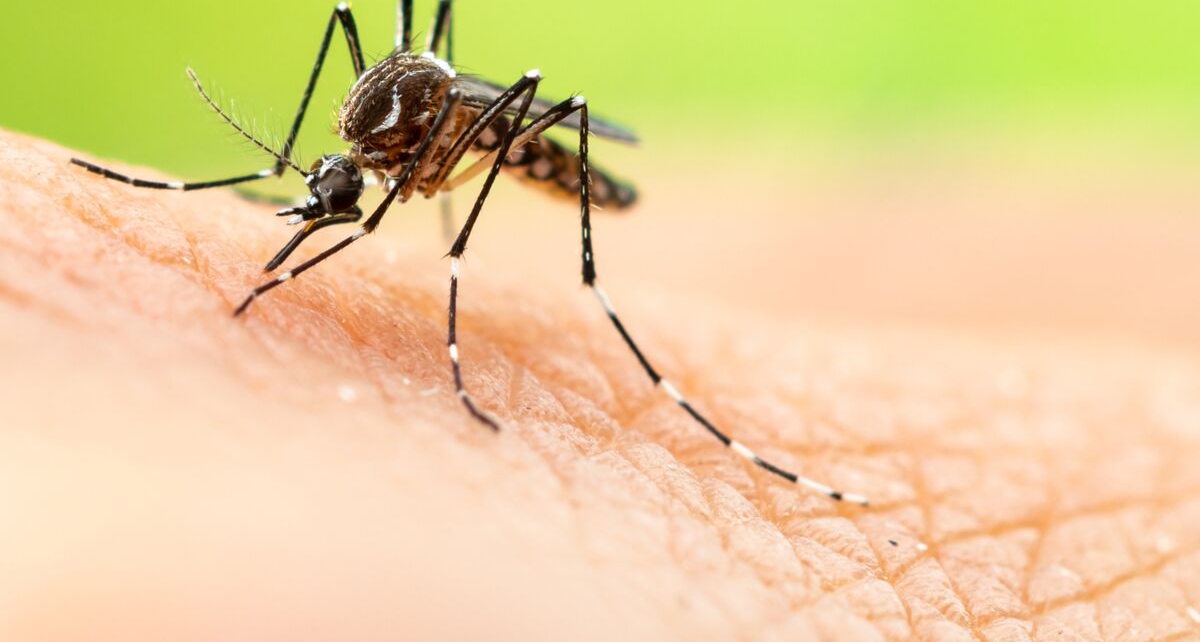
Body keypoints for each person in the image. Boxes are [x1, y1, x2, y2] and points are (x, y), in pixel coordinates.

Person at [4, 129, 1199, 639]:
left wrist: (457, 301)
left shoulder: (438, 148)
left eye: (333, 194)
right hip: (440, 131)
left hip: (515, 139)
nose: (330, 207)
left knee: (475, 160)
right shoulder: (366, 150)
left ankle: (590, 319)